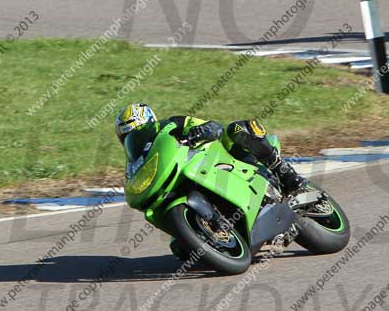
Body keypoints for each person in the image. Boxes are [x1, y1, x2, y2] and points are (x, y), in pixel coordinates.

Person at [115, 103, 307, 260]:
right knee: (181, 250)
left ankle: (286, 174)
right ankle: (221, 233)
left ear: (149, 121)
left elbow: (212, 125)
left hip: (219, 158)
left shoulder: (171, 125)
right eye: (127, 138)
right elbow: (133, 184)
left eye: (136, 132)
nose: (133, 140)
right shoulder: (134, 163)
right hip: (193, 178)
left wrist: (200, 131)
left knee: (238, 130)